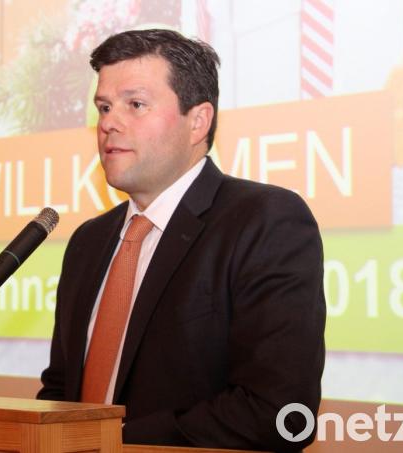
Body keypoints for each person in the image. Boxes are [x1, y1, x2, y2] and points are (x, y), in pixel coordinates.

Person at [37, 29, 325, 452]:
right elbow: (63, 389)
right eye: (103, 107)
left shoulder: (265, 221)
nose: (109, 123)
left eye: (135, 105)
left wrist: (105, 443)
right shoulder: (88, 242)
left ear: (198, 121)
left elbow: (278, 412)